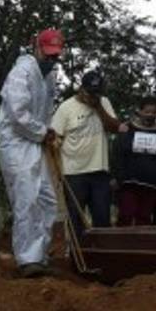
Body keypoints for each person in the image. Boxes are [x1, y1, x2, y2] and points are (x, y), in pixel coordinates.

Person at [0, 28, 64, 278]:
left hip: (36, 141)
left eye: (55, 55)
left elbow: (44, 111)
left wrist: (47, 134)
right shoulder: (21, 72)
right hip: (15, 142)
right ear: (36, 48)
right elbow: (18, 114)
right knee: (26, 197)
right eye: (47, 54)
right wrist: (43, 131)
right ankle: (27, 259)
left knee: (47, 199)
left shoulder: (50, 76)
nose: (51, 59)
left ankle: (40, 255)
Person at [50, 71, 123, 237]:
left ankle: (101, 258)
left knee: (102, 219)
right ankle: (77, 258)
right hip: (73, 173)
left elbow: (115, 128)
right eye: (91, 92)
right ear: (81, 89)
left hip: (100, 170)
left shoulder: (103, 102)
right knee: (76, 220)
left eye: (97, 92)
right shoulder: (66, 107)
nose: (94, 96)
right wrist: (57, 172)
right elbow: (55, 138)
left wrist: (98, 107)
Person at [112, 96, 156, 226]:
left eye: (153, 112)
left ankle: (140, 245)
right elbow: (117, 153)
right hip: (129, 182)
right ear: (140, 111)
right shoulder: (127, 128)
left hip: (152, 184)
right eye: (147, 112)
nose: (150, 115)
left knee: (144, 218)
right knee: (126, 215)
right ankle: (121, 244)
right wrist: (114, 176)